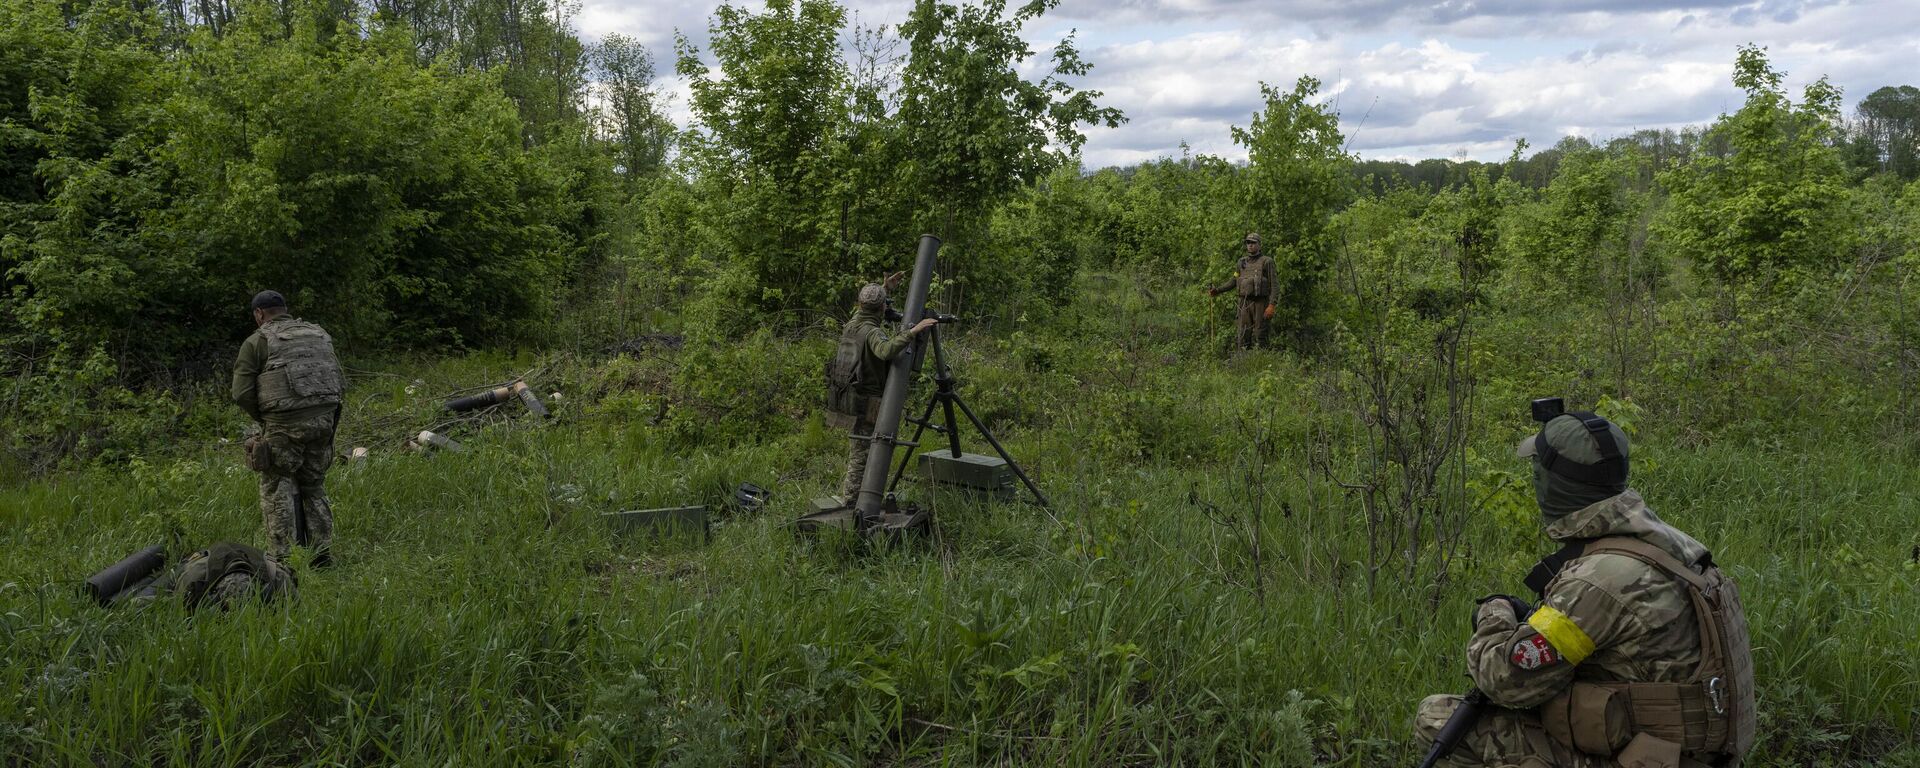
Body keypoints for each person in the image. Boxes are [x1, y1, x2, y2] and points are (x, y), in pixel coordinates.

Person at [1412, 406, 1754, 768]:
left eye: (1536, 473)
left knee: (1436, 718)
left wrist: (1493, 612)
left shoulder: (1599, 581)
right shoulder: (1675, 546)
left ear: (1551, 484)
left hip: (1653, 758)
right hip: (1691, 752)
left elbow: (1506, 682)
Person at [232, 290, 344, 565]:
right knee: (314, 485)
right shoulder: (319, 334)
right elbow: (337, 378)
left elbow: (241, 393)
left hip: (284, 425)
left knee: (277, 484)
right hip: (324, 420)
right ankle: (321, 556)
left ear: (259, 314)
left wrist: (266, 419)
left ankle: (283, 560)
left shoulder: (257, 340)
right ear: (284, 309)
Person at [824, 273, 939, 500]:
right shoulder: (872, 332)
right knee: (862, 453)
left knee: (860, 447)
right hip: (866, 401)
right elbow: (885, 351)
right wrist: (912, 332)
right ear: (881, 309)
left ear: (860, 305)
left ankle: (858, 497)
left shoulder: (852, 324)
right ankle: (851, 501)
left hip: (846, 396)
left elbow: (868, 306)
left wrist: (884, 289)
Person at [1207, 232, 1278, 350]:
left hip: (1261, 303)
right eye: (1248, 243)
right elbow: (1234, 281)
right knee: (1243, 335)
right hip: (1244, 303)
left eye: (1253, 243)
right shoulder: (1241, 262)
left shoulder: (1267, 261)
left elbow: (1275, 285)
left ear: (1259, 245)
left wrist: (1271, 305)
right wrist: (1217, 290)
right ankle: (1243, 363)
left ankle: (1264, 362)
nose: (1250, 245)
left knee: (1261, 335)